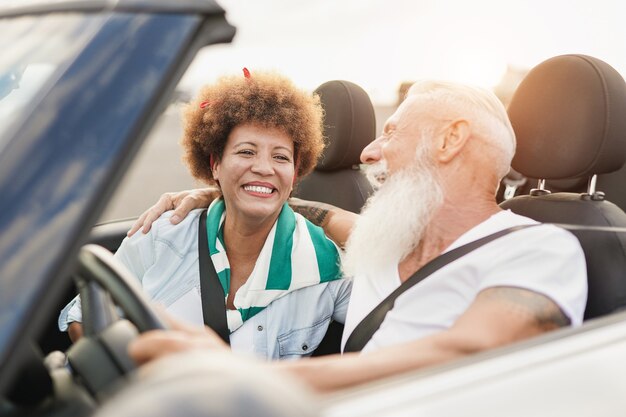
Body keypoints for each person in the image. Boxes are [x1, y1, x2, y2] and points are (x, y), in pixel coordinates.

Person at [126, 80, 587, 391]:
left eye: (390, 133)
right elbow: (322, 216)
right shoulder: (382, 245)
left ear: (449, 141)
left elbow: (471, 349)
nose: (368, 152)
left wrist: (242, 377)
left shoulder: (538, 249)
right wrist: (225, 192)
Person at [58, 69, 351, 360]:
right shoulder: (163, 235)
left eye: (280, 157)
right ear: (215, 165)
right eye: (247, 152)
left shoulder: (326, 266)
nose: (264, 167)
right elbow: (83, 318)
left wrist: (237, 192)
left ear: (294, 174)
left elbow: (395, 280)